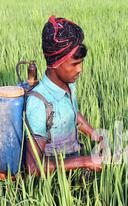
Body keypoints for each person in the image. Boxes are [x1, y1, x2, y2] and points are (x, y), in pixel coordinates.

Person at [25, 16, 103, 176]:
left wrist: (96, 135)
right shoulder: (39, 103)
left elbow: (72, 115)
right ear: (55, 64)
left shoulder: (69, 85)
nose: (80, 69)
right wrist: (83, 162)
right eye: (74, 64)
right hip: (51, 183)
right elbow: (33, 167)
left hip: (72, 167)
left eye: (81, 63)